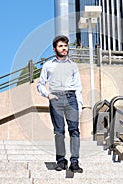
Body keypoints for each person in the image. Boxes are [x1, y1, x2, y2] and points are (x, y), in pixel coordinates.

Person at [37, 35, 83, 173]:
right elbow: (40, 85)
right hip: (56, 98)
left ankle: (74, 162)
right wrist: (48, 95)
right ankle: (61, 161)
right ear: (54, 49)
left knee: (74, 130)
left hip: (71, 98)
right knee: (59, 131)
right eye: (61, 46)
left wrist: (79, 106)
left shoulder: (73, 65)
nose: (64, 49)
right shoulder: (48, 65)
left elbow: (78, 87)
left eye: (66, 46)